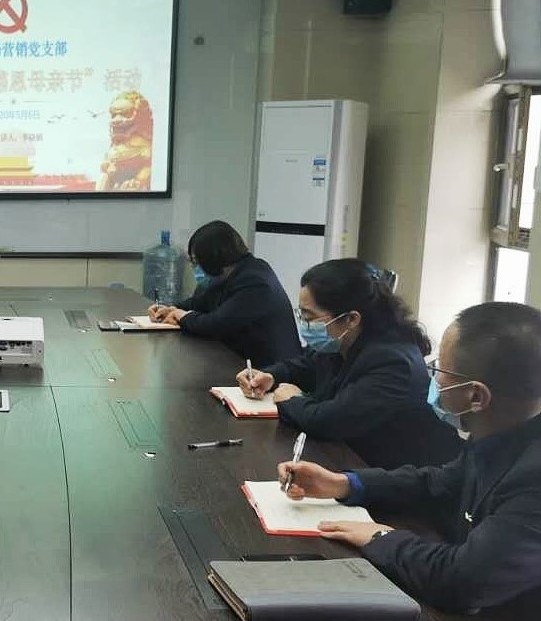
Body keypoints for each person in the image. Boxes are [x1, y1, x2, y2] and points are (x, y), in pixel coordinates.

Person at [278, 302, 541, 616]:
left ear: (476, 396)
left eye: (441, 370)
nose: (434, 379)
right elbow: (438, 483)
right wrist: (344, 484)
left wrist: (382, 537)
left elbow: (461, 581)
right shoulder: (501, 431)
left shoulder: (533, 476)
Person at [237, 258, 462, 468]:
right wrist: (271, 376)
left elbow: (330, 422)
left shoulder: (393, 363)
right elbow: (306, 365)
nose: (304, 323)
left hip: (398, 473)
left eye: (309, 316)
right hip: (354, 459)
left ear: (351, 319)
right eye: (301, 315)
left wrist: (292, 400)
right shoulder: (344, 340)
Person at [147, 220, 301, 366]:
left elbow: (215, 324)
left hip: (272, 371)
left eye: (197, 261)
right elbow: (200, 302)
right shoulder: (228, 275)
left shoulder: (255, 280)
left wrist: (182, 316)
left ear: (212, 258)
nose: (195, 267)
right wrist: (170, 308)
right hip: (242, 362)